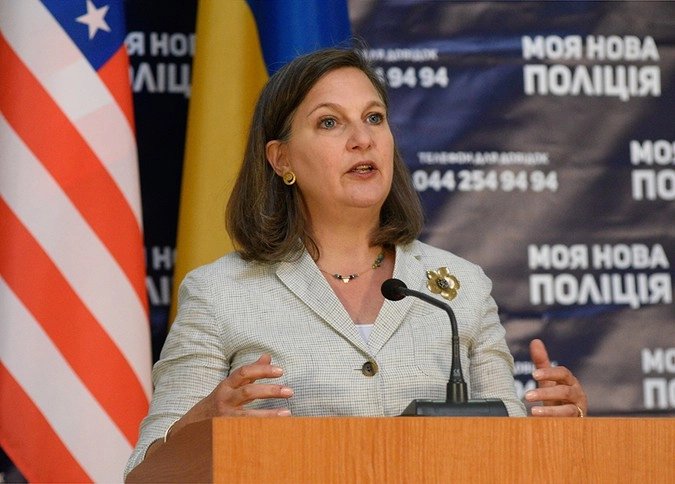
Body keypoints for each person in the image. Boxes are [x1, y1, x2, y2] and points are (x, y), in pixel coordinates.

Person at [124, 47, 587, 477]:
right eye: (330, 122)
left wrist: (559, 436)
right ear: (281, 159)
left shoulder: (462, 288)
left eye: (374, 118)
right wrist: (198, 427)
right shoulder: (220, 293)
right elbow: (145, 475)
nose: (362, 139)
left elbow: (509, 456)